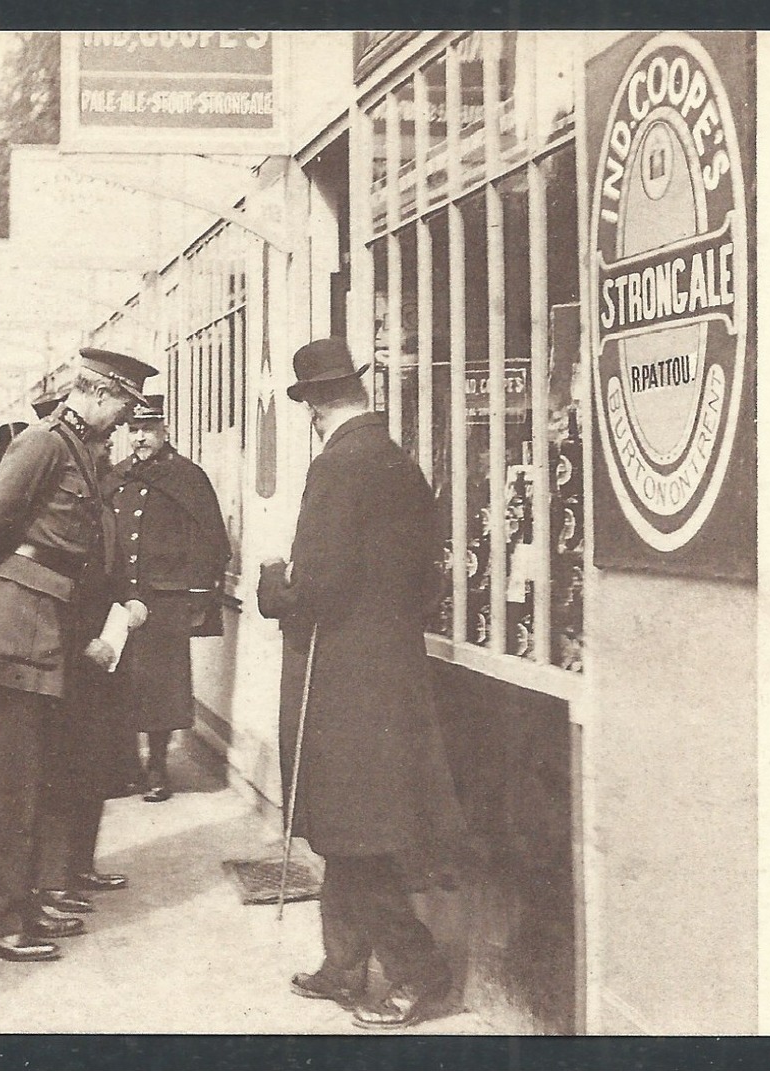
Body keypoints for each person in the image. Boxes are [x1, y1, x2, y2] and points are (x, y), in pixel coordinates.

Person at [256, 338, 466, 1031]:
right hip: (390, 671)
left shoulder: (337, 465)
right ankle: (342, 964)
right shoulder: (399, 463)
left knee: (355, 831)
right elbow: (425, 577)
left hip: (340, 676)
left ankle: (419, 972)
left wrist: (270, 581)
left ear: (314, 405)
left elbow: (316, 582)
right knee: (350, 824)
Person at [0, 347, 153, 962]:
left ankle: (22, 902)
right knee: (8, 787)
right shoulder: (43, 443)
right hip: (16, 625)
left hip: (45, 626)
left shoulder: (78, 451)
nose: (124, 418)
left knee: (32, 779)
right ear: (93, 391)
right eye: (121, 403)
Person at [103, 393, 230, 802]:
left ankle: (158, 767)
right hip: (121, 597)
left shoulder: (187, 476)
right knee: (120, 682)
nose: (140, 438)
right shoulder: (117, 475)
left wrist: (197, 594)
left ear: (165, 430)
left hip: (166, 600)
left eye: (148, 430)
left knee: (160, 687)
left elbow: (209, 539)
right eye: (134, 430)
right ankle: (126, 768)